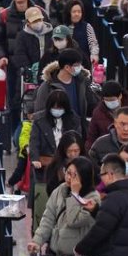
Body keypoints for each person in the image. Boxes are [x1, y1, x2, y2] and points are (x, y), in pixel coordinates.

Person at [29, 156, 100, 256]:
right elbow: (48, 217)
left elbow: (73, 221)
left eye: (75, 175)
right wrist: (37, 240)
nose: (69, 178)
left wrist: (74, 195)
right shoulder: (60, 190)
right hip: (58, 252)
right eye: (68, 172)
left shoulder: (92, 198)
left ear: (84, 177)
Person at [30, 90, 84, 224]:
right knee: (44, 199)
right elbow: (34, 142)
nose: (57, 110)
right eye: (54, 107)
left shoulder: (74, 120)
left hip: (68, 164)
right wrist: (35, 158)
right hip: (45, 166)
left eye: (60, 107)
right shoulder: (39, 120)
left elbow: (78, 140)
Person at [34, 48, 97, 120]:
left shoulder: (82, 83)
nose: (79, 68)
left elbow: (92, 104)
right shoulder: (47, 87)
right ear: (67, 67)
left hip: (78, 128)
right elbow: (39, 114)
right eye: (76, 65)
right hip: (56, 128)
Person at [88, 81, 128, 149]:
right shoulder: (98, 112)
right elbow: (91, 137)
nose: (110, 103)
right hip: (106, 151)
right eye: (107, 100)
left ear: (120, 96)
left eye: (112, 100)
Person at [12, 7, 55, 74]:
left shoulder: (52, 32)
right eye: (34, 21)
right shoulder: (22, 36)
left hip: (50, 70)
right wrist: (28, 68)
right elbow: (20, 54)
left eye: (39, 19)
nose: (38, 23)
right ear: (28, 22)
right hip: (31, 71)